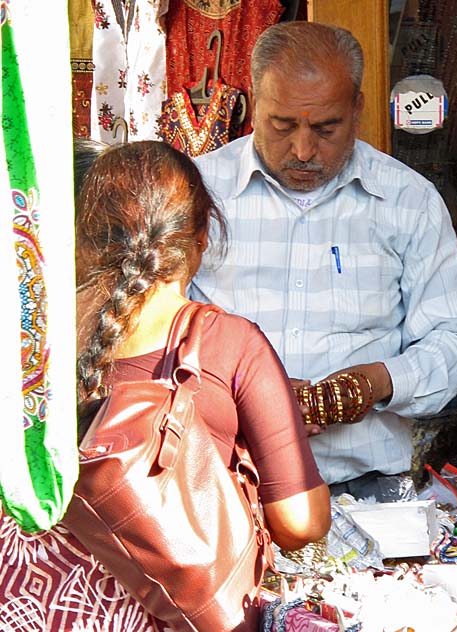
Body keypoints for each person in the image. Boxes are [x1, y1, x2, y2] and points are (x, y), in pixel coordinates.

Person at [0, 140, 330, 631]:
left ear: (84, 237)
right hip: (176, 615)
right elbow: (300, 523)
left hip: (35, 609)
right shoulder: (231, 343)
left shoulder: (28, 338)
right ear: (202, 236)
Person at [190, 21, 457, 497]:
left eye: (326, 128)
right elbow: (155, 335)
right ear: (255, 103)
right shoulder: (198, 195)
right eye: (282, 125)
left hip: (366, 486)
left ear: (357, 109)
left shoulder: (408, 201)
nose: (303, 150)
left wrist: (378, 383)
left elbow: (452, 340)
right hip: (221, 486)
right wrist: (239, 391)